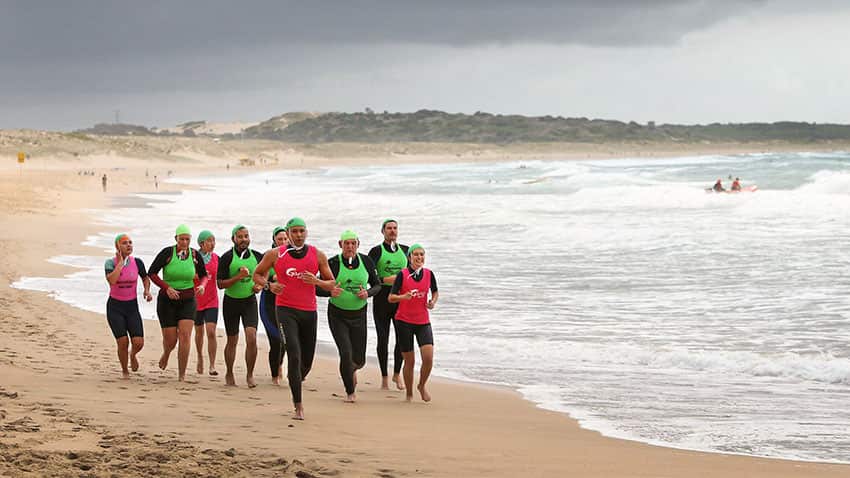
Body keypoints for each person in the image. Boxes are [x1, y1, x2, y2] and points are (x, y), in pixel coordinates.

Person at [253, 217, 336, 420]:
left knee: (306, 360)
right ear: (288, 234)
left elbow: (332, 283)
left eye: (302, 231)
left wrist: (316, 281)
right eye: (294, 231)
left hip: (309, 312)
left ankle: (296, 377)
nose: (298, 235)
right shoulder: (275, 254)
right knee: (294, 353)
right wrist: (269, 286)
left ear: (306, 232)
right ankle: (298, 405)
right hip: (285, 310)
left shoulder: (317, 255)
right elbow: (257, 275)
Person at [317, 230, 382, 402]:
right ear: (340, 245)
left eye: (353, 243)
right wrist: (330, 291)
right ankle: (350, 392)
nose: (350, 247)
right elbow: (316, 286)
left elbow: (377, 285)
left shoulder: (366, 261)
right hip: (337, 315)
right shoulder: (333, 263)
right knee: (346, 353)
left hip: (359, 315)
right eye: (346, 243)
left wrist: (368, 293)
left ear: (358, 245)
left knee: (359, 360)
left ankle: (350, 370)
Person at [147, 224, 209, 382]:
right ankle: (166, 353)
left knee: (185, 336)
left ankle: (181, 375)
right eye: (181, 239)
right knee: (171, 340)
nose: (184, 242)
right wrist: (166, 287)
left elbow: (204, 275)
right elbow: (152, 272)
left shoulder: (195, 255)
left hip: (188, 300)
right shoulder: (167, 253)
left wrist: (202, 285)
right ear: (176, 239)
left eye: (187, 239)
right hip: (167, 301)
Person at [388, 244, 439, 402]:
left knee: (428, 357)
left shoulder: (429, 274)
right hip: (404, 322)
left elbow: (435, 291)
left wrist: (433, 302)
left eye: (422, 254)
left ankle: (421, 385)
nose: (419, 257)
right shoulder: (402, 275)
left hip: (423, 321)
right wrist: (403, 297)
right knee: (409, 361)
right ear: (409, 257)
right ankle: (409, 393)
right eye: (416, 254)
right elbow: (391, 297)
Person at [217, 225, 265, 388]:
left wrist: (259, 285)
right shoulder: (227, 258)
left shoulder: (257, 256)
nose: (244, 239)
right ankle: (229, 373)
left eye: (246, 236)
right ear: (233, 239)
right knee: (232, 340)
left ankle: (250, 375)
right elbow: (221, 284)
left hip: (249, 302)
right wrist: (239, 277)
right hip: (231, 302)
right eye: (240, 237)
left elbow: (265, 273)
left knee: (251, 338)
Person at [367, 219, 409, 390]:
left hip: (400, 300)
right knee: (383, 338)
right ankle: (384, 377)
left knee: (402, 339)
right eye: (389, 228)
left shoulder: (406, 250)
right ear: (383, 231)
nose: (392, 231)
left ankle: (397, 374)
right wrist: (385, 279)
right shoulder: (376, 251)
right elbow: (369, 276)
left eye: (395, 228)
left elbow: (414, 273)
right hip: (382, 299)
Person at [104, 233, 152, 379]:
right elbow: (112, 281)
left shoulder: (137, 262)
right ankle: (125, 370)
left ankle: (133, 355)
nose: (129, 245)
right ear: (117, 246)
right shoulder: (110, 263)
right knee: (123, 341)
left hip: (131, 307)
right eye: (124, 243)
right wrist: (120, 262)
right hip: (115, 307)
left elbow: (145, 278)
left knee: (138, 342)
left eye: (130, 242)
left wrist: (147, 290)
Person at [259, 226, 288, 385]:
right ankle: (275, 376)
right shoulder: (269, 256)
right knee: (276, 340)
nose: (283, 242)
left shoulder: (293, 256)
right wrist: (271, 281)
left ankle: (280, 367)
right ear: (274, 240)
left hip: (286, 305)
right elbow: (259, 277)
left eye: (285, 239)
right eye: (279, 239)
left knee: (286, 340)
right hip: (268, 305)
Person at [194, 230, 220, 376]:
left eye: (213, 240)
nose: (212, 243)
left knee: (211, 331)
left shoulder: (217, 258)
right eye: (209, 241)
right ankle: (199, 357)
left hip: (212, 299)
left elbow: (223, 276)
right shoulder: (193, 258)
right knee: (199, 332)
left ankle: (212, 365)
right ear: (201, 244)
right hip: (196, 300)